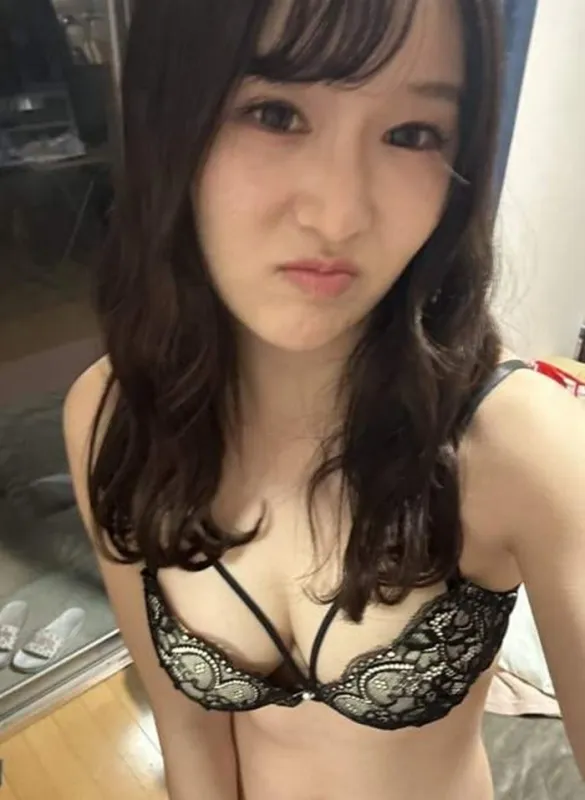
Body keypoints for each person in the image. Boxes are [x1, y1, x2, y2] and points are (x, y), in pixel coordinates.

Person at [63, 0, 585, 798]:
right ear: (169, 115)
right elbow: (189, 740)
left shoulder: (527, 445)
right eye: (275, 113)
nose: (339, 215)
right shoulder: (111, 418)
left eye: (412, 133)